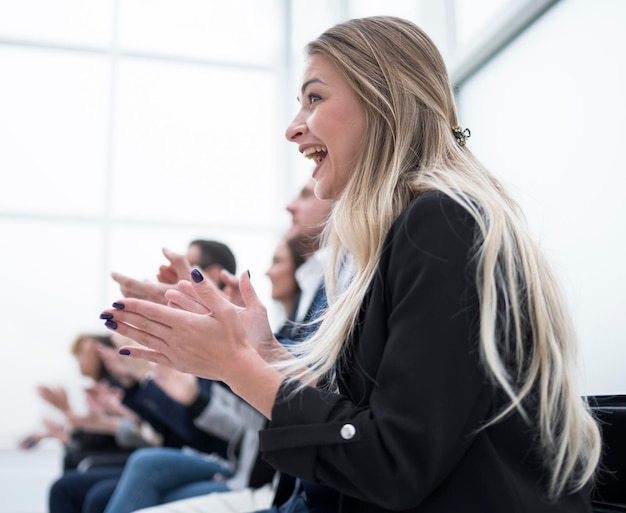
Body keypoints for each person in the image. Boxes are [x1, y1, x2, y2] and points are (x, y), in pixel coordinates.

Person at [101, 15, 603, 513]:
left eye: (314, 98)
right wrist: (264, 355)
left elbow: (393, 462)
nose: (293, 128)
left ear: (384, 102)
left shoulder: (441, 222)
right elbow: (378, 414)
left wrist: (237, 365)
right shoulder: (416, 229)